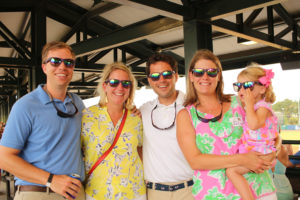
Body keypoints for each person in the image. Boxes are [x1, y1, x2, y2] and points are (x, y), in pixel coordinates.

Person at [177, 49, 276, 200]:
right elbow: (195, 161)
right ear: (191, 76)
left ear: (218, 76)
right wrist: (242, 159)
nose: (205, 77)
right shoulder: (186, 116)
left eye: (211, 72)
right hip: (214, 194)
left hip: (257, 189)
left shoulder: (239, 102)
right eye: (198, 72)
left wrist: (275, 148)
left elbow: (270, 127)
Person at [0, 41, 85, 200]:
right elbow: (4, 158)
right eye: (55, 61)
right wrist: (51, 180)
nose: (62, 67)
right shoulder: (25, 106)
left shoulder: (77, 104)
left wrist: (132, 111)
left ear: (73, 68)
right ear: (44, 67)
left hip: (75, 193)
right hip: (39, 193)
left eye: (68, 62)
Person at [81, 62, 146, 200]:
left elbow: (141, 151)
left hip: (134, 193)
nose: (120, 88)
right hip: (97, 193)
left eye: (125, 84)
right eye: (114, 82)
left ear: (130, 88)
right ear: (105, 86)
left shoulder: (136, 118)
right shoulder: (87, 116)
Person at [140, 53, 194, 200]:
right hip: (156, 193)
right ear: (149, 80)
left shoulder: (193, 107)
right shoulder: (143, 111)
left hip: (191, 190)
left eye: (167, 74)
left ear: (176, 76)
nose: (161, 80)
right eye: (155, 76)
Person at [225, 64, 279, 200]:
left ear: (262, 88)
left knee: (232, 171)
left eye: (248, 85)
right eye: (239, 86)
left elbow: (254, 125)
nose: (242, 90)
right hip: (255, 152)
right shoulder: (254, 108)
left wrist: (248, 105)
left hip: (262, 153)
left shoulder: (263, 108)